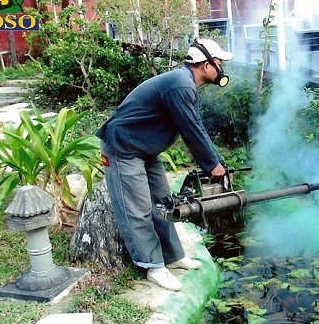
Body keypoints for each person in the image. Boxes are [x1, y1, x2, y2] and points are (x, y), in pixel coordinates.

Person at [96, 38, 233, 291]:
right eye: (220, 63)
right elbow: (190, 130)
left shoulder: (183, 84)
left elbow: (196, 126)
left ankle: (172, 257)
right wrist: (211, 165)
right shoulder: (180, 85)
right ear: (205, 66)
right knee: (136, 208)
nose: (222, 68)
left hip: (145, 149)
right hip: (123, 147)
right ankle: (153, 267)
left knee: (163, 202)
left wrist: (216, 160)